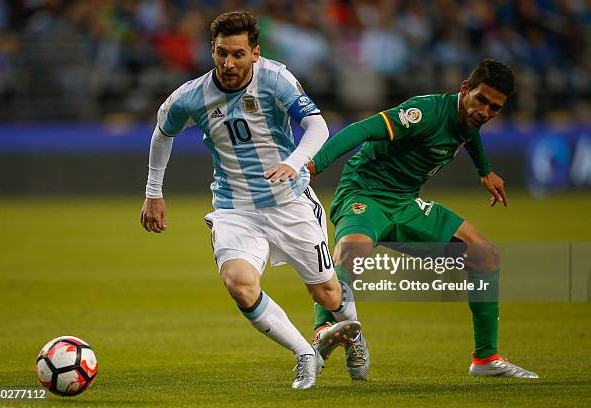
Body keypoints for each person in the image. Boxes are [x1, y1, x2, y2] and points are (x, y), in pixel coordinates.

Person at [139, 11, 362, 389]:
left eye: (238, 54)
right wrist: (153, 192)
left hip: (289, 202)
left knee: (327, 292)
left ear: (255, 53)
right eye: (222, 53)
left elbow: (317, 125)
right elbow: (162, 133)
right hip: (235, 208)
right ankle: (305, 354)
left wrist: (293, 164)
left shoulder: (275, 78)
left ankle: (353, 336)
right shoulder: (191, 96)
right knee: (240, 284)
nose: (229, 63)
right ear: (212, 49)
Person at [310, 59, 539, 379]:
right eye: (481, 100)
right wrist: (315, 165)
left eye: (495, 108)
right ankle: (322, 331)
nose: (485, 112)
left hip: (405, 202)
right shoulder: (424, 113)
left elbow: (469, 132)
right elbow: (361, 129)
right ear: (464, 90)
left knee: (484, 254)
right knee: (352, 253)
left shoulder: (468, 118)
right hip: (364, 193)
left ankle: (486, 360)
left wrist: (484, 170)